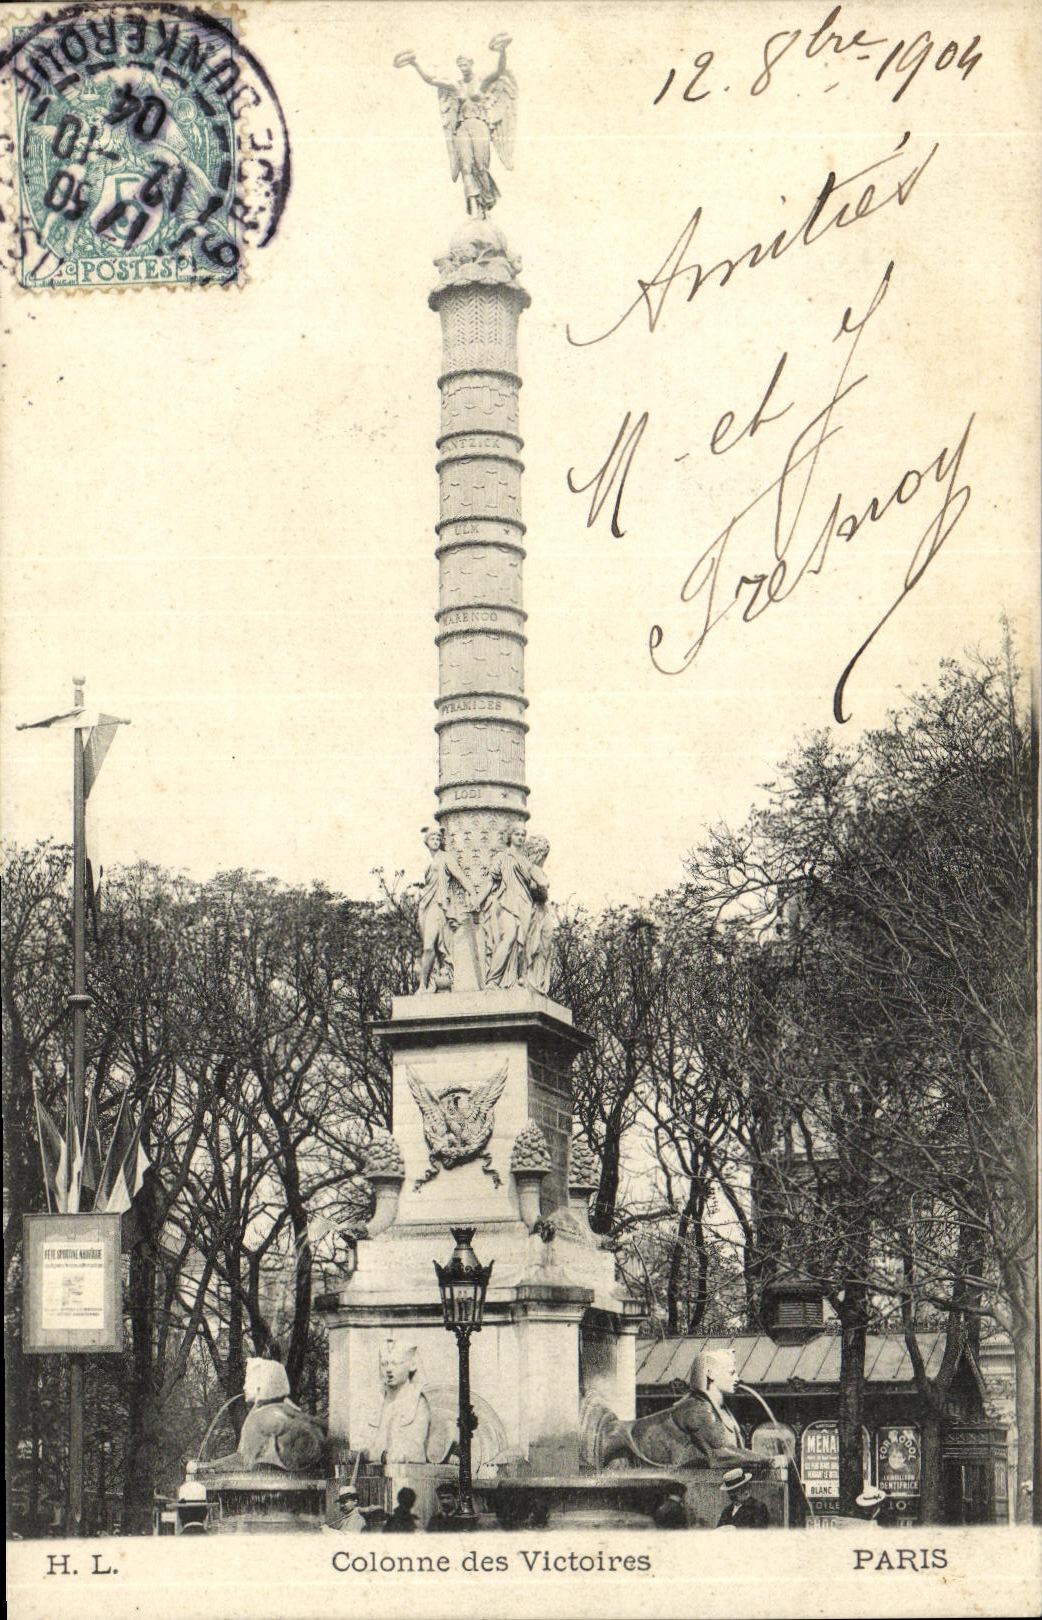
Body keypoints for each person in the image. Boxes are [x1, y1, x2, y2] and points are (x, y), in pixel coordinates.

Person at [394, 36, 516, 218]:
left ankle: (486, 201)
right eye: (459, 64)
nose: (462, 66)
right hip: (462, 128)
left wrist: (502, 51)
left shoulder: (482, 82)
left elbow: (499, 71)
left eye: (464, 63)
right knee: (466, 167)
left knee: (481, 166)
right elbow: (431, 79)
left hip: (479, 125)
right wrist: (415, 64)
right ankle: (474, 209)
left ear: (471, 63)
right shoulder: (455, 85)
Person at [416, 826, 476, 990]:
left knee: (431, 946)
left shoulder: (445, 857)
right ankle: (429, 982)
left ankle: (424, 984)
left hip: (439, 904)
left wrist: (472, 892)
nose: (435, 841)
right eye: (432, 839)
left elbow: (460, 875)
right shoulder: (428, 860)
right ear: (426, 842)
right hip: (425, 904)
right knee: (428, 946)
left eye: (437, 838)